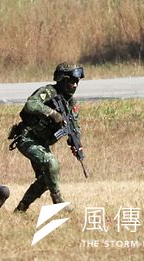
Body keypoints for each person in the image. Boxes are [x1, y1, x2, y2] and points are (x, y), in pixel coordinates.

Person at [9, 62, 84, 212]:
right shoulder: (49, 92)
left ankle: (21, 209)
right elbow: (31, 104)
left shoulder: (70, 103)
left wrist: (77, 144)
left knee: (48, 177)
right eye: (71, 81)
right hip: (27, 138)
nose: (75, 85)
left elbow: (74, 127)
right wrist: (53, 114)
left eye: (77, 81)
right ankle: (58, 202)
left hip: (42, 142)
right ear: (62, 80)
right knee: (52, 164)